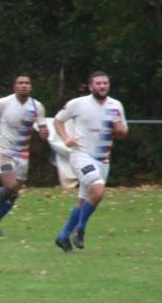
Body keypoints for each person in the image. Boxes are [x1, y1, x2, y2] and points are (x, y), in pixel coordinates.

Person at [54, 71, 128, 252]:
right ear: (90, 86)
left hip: (103, 160)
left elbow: (123, 132)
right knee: (98, 189)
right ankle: (80, 228)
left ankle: (63, 236)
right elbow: (58, 120)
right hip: (81, 156)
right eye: (98, 83)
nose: (102, 86)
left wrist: (120, 129)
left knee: (84, 200)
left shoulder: (116, 106)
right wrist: (65, 138)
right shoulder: (78, 103)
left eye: (105, 83)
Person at [0, 74, 47, 235]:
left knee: (14, 193)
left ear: (30, 87)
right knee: (10, 186)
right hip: (4, 150)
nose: (24, 85)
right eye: (20, 83)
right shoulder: (3, 103)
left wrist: (44, 132)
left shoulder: (37, 107)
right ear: (14, 87)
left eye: (27, 83)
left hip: (23, 154)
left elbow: (43, 127)